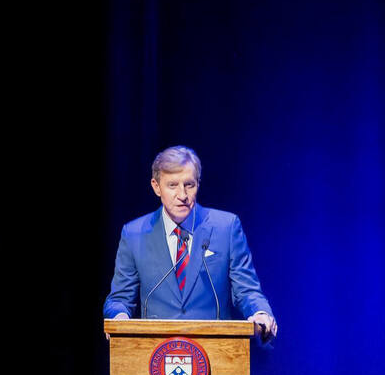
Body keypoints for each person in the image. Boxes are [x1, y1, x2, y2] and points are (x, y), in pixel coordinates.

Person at [104, 145, 277, 342]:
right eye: (172, 185)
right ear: (156, 186)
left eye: (189, 184)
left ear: (198, 184)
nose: (182, 195)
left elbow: (247, 290)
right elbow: (119, 298)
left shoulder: (226, 228)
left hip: (216, 350)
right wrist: (119, 318)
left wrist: (260, 313)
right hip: (155, 352)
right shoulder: (134, 234)